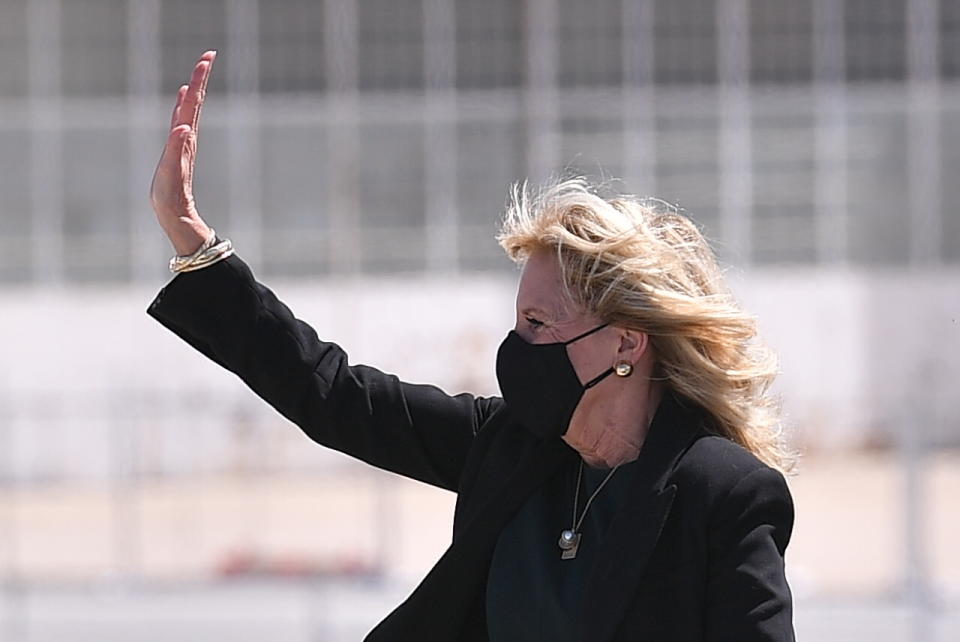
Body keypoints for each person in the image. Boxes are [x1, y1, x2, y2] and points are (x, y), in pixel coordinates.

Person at [148, 51, 796, 641]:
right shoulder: (511, 449)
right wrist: (194, 245)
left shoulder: (724, 493)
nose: (519, 346)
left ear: (626, 341)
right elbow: (334, 396)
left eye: (541, 323)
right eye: (518, 322)